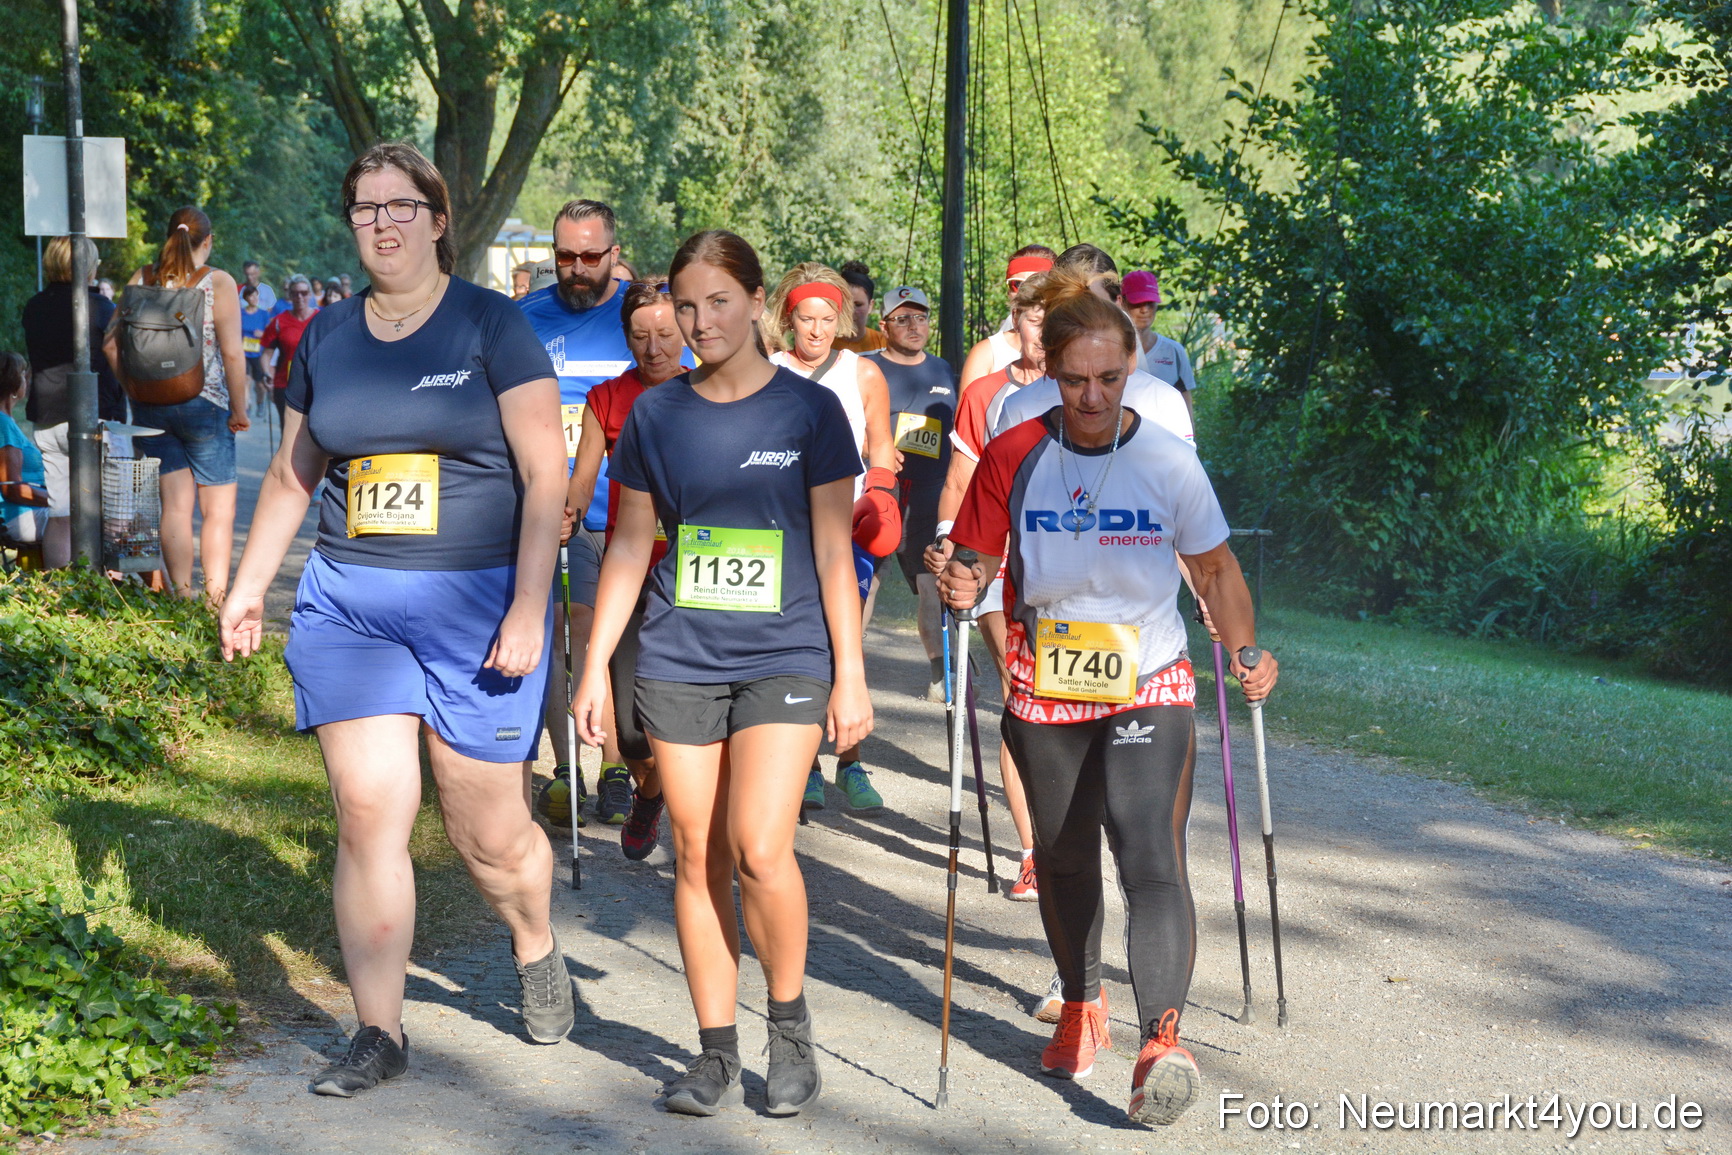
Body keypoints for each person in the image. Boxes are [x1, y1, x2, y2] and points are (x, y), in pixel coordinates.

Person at [218, 141, 570, 1097]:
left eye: (401, 205)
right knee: (369, 810)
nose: (382, 222)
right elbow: (294, 473)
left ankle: (533, 938)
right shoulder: (328, 336)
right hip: (353, 602)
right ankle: (380, 1030)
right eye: (365, 207)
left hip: (477, 604)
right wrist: (248, 585)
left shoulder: (492, 326)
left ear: (438, 217)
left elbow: (545, 473)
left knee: (486, 832)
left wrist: (530, 603)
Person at [939, 268, 1276, 1127]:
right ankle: (1083, 1001)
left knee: (1147, 845)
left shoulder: (1166, 460)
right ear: (1050, 371)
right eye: (1074, 379)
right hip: (1045, 678)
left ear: (1133, 368)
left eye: (1109, 378)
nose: (1092, 397)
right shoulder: (1015, 452)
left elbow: (1215, 569)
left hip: (1149, 675)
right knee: (1062, 855)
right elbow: (975, 556)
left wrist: (1245, 649)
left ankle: (1161, 1041)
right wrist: (960, 579)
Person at [573, 228, 870, 1118]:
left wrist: (851, 675)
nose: (700, 322)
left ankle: (790, 1027)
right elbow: (631, 545)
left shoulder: (809, 413)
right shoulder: (655, 416)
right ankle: (714, 1051)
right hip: (680, 654)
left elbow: (834, 550)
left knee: (761, 846)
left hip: (785, 654)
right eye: (687, 305)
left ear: (756, 303)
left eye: (719, 303)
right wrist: (595, 667)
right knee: (696, 850)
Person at [926, 273, 1049, 901]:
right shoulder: (987, 394)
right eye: (1032, 318)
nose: (1042, 331)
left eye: (1054, 319)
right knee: (1019, 691)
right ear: (1015, 322)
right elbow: (958, 480)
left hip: (1063, 568)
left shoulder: (1094, 395)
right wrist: (949, 544)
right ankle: (1034, 852)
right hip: (995, 560)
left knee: (1065, 699)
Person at [518, 199, 640, 825]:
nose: (578, 267)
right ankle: (568, 771)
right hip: (551, 511)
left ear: (614, 254)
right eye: (566, 256)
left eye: (592, 255)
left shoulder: (643, 319)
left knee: (612, 643)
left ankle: (618, 768)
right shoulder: (523, 320)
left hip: (630, 512)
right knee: (562, 634)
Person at [762, 262, 900, 812]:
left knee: (846, 641)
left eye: (826, 319)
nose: (816, 330)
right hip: (784, 526)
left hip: (849, 527)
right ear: (789, 318)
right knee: (799, 644)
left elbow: (882, 443)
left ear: (839, 319)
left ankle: (851, 761)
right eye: (806, 319)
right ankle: (809, 767)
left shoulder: (863, 373)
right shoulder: (767, 370)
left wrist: (882, 493)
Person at [562, 278, 686, 857]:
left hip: (696, 575)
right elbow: (582, 479)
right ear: (626, 338)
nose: (653, 348)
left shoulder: (710, 390)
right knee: (634, 734)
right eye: (640, 336)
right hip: (631, 573)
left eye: (665, 333)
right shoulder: (608, 398)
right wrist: (564, 514)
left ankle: (699, 833)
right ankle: (650, 792)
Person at [104, 210, 250, 601]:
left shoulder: (142, 278)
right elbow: (232, 354)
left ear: (168, 236)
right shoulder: (217, 282)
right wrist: (239, 409)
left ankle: (183, 598)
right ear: (208, 241)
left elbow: (110, 345)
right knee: (218, 510)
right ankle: (214, 602)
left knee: (174, 508)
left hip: (150, 406)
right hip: (206, 404)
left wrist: (134, 389)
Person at [864, 286, 953, 699]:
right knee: (867, 577)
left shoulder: (944, 369)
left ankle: (941, 672)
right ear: (883, 326)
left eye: (920, 317)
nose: (913, 325)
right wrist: (872, 448)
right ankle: (846, 664)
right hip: (882, 487)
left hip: (930, 492)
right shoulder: (867, 368)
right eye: (902, 319)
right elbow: (847, 421)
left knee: (930, 580)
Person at [22, 235, 126, 569]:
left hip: (48, 418)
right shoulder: (100, 307)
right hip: (97, 417)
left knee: (60, 514)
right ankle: (109, 587)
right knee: (113, 512)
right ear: (86, 267)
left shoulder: (35, 306)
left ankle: (61, 589)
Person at [956, 245, 1055, 389]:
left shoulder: (1073, 349)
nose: (1026, 292)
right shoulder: (987, 354)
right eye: (1017, 284)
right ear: (1008, 291)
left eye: (1037, 284)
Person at [1121, 271, 1198, 420]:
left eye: (1150, 303)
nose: (1144, 310)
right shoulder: (1111, 350)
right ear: (1122, 302)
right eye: (1137, 303)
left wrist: (1190, 435)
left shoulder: (1174, 352)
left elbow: (1186, 404)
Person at [0, 352, 50, 550]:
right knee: (97, 521)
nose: (26, 381)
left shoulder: (7, 421)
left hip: (27, 510)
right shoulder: (3, 425)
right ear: (13, 384)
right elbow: (12, 489)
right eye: (23, 374)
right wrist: (60, 500)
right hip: (18, 516)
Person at [259, 275, 319, 425]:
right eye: (295, 293)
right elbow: (266, 354)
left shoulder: (320, 319)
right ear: (290, 295)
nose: (300, 297)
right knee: (288, 430)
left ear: (310, 295)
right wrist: (266, 373)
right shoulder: (279, 321)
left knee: (312, 430)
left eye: (304, 293)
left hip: (315, 385)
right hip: (285, 385)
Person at [834, 261, 887, 353]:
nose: (851, 311)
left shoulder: (884, 344)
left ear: (870, 306)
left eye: (858, 305)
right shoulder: (824, 343)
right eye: (845, 304)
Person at [240, 284, 272, 416]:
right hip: (243, 352)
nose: (254, 298)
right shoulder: (240, 313)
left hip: (258, 353)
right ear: (246, 298)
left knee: (260, 383)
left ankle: (260, 402)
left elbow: (270, 335)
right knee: (246, 380)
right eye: (251, 296)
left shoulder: (264, 314)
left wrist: (263, 334)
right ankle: (247, 406)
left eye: (256, 295)